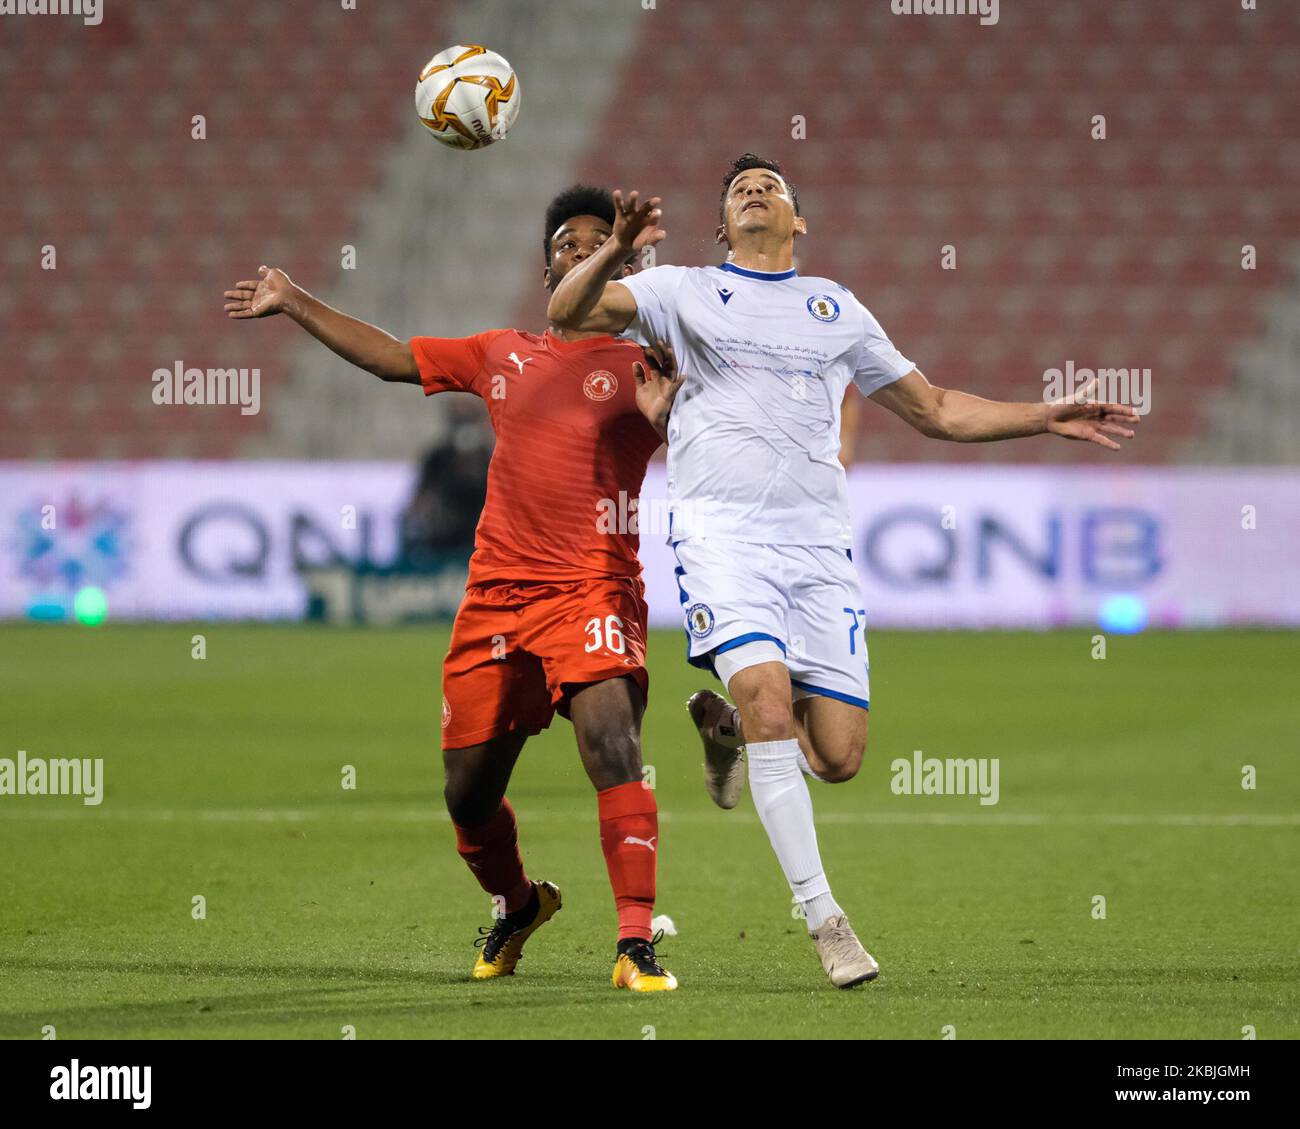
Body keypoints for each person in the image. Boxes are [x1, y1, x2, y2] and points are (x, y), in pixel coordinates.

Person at [547, 154, 1139, 988]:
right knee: (768, 695)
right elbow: (568, 315)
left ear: (800, 220)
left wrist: (1043, 415)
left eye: (771, 186)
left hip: (819, 550)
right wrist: (616, 252)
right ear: (721, 227)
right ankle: (826, 919)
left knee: (840, 756)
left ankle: (726, 733)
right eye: (738, 190)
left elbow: (933, 408)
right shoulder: (679, 289)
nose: (754, 191)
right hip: (723, 540)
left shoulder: (838, 310)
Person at [224, 185, 682, 991]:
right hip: (497, 598)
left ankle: (635, 942)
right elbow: (392, 356)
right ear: (548, 271)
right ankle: (518, 903)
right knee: (468, 795)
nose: (582, 250)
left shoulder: (650, 364)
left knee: (614, 743)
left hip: (594, 587)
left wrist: (674, 418)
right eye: (569, 244)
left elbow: (717, 449)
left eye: (599, 242)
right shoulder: (500, 352)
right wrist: (295, 300)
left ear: (628, 266)